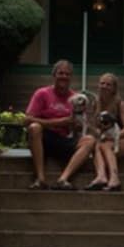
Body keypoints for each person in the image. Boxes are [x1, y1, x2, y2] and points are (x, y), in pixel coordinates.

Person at [24, 59, 96, 190]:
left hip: (66, 140)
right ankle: (40, 179)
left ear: (71, 77)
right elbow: (27, 120)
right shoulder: (42, 93)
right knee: (34, 127)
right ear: (54, 75)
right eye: (61, 73)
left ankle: (63, 179)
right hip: (44, 139)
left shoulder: (77, 98)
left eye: (67, 74)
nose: (64, 76)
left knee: (90, 140)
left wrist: (78, 126)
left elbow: (81, 123)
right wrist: (59, 122)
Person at [87, 72, 124, 191]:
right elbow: (95, 128)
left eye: (108, 84)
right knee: (95, 144)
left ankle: (115, 179)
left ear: (114, 89)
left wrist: (113, 137)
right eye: (102, 83)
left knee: (106, 144)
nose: (104, 86)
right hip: (106, 139)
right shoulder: (96, 103)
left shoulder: (120, 103)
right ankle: (101, 176)